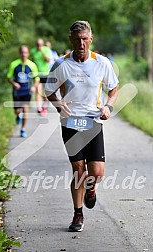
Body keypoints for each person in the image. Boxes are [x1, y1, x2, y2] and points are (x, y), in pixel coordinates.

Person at [45, 21, 119, 232]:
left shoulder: (102, 63)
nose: (81, 43)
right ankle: (78, 214)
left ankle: (91, 187)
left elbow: (114, 89)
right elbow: (50, 90)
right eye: (77, 39)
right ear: (71, 40)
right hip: (70, 121)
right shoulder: (61, 64)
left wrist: (108, 107)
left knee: (96, 172)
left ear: (91, 39)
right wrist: (60, 105)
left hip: (93, 120)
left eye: (85, 39)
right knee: (78, 169)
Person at [7, 45, 40, 138]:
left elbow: (37, 79)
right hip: (17, 92)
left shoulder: (32, 65)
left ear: (28, 54)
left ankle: (23, 129)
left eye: (25, 52)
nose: (23, 54)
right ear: (19, 53)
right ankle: (18, 115)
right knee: (17, 111)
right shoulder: (14, 64)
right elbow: (9, 77)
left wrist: (34, 87)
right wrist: (14, 84)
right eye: (22, 52)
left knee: (25, 110)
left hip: (27, 91)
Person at [30, 38, 51, 116]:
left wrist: (42, 52)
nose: (39, 46)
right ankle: (39, 108)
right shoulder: (33, 51)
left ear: (43, 44)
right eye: (38, 45)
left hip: (45, 74)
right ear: (36, 45)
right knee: (37, 91)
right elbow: (31, 61)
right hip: (37, 74)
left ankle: (44, 106)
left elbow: (48, 60)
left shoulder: (46, 49)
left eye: (40, 45)